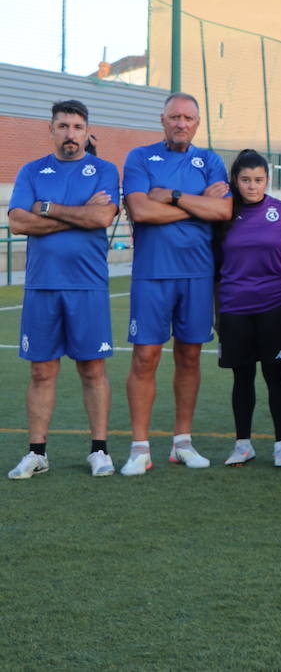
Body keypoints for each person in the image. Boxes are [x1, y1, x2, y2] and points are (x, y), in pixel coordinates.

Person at [6, 100, 119, 480]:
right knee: (41, 372)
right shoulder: (31, 170)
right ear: (50, 130)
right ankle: (37, 453)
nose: (70, 133)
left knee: (92, 369)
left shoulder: (103, 170)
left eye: (77, 126)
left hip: (87, 286)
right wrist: (77, 214)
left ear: (87, 131)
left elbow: (102, 216)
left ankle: (99, 450)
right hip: (41, 286)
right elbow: (19, 222)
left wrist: (49, 208)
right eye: (63, 126)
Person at [119, 93, 231, 476]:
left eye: (188, 118)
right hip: (152, 273)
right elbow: (140, 209)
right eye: (174, 117)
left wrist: (174, 196)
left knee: (189, 356)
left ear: (198, 122)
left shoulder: (210, 161)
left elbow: (222, 210)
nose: (181, 123)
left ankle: (182, 443)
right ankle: (139, 448)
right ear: (163, 119)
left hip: (197, 274)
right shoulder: (139, 158)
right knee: (145, 357)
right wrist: (196, 205)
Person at [214, 150, 281, 468]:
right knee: (242, 377)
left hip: (275, 306)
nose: (252, 186)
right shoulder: (223, 214)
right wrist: (217, 313)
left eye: (259, 180)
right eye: (246, 179)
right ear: (235, 180)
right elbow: (215, 269)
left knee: (276, 375)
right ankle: (243, 444)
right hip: (235, 308)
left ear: (268, 180)